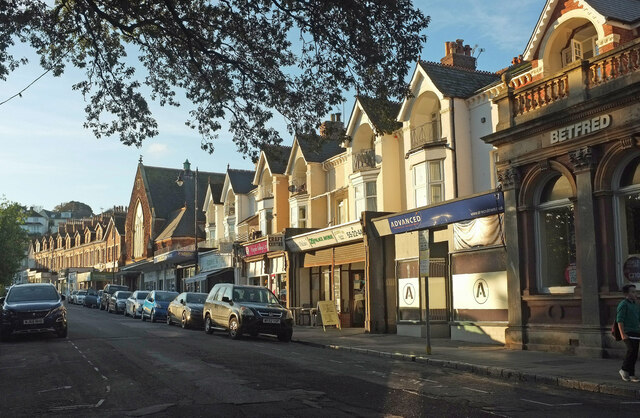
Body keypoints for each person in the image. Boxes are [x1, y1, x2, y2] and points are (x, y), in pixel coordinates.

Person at [617, 284, 640, 382]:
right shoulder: (623, 304)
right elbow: (620, 320)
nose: (635, 293)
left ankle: (631, 375)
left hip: (636, 331)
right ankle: (623, 369)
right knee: (631, 351)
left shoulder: (635, 304)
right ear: (626, 294)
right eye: (633, 292)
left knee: (634, 353)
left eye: (635, 291)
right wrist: (622, 334)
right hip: (627, 331)